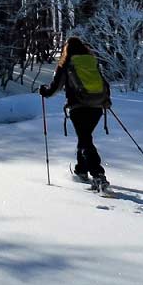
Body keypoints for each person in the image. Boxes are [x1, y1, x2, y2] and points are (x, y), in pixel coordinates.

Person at [39, 35, 113, 193]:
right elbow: (104, 83)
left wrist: (44, 92)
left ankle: (98, 174)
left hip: (78, 107)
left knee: (85, 140)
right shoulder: (91, 62)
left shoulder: (67, 64)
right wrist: (106, 100)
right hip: (97, 107)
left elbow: (55, 87)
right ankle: (81, 170)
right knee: (85, 137)